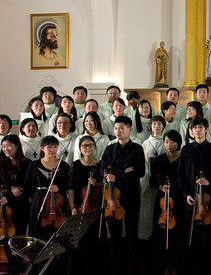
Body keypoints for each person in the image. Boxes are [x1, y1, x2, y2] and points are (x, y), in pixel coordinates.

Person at [178, 118, 211, 275]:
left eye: (200, 127)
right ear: (191, 131)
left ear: (206, 129)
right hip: (191, 201)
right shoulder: (186, 150)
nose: (197, 130)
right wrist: (186, 195)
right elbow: (180, 176)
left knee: (209, 237)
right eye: (194, 128)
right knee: (192, 238)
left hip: (209, 201)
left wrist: (209, 181)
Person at [100, 116, 146, 275]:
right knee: (114, 235)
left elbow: (140, 171)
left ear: (130, 129)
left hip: (131, 196)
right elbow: (103, 170)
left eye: (122, 128)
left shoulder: (137, 149)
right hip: (112, 198)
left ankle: (133, 268)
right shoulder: (109, 149)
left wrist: (117, 176)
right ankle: (116, 268)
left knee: (132, 233)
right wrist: (125, 172)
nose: (118, 131)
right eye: (116, 128)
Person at [24, 135, 75, 274]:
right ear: (42, 148)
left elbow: (69, 185)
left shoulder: (63, 165)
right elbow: (27, 186)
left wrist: (60, 188)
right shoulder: (34, 165)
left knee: (58, 237)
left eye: (54, 146)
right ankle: (39, 270)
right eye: (49, 147)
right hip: (39, 203)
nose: (52, 150)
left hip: (58, 205)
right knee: (39, 237)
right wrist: (37, 199)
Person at [0, 135, 31, 275]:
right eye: (3, 147)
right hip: (4, 206)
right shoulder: (1, 164)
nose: (6, 149)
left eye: (9, 146)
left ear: (17, 146)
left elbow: (27, 187)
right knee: (7, 236)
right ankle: (12, 266)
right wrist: (9, 190)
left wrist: (14, 190)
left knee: (19, 236)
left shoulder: (28, 164)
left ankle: (16, 266)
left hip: (21, 206)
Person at [150, 130, 186, 274]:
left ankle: (176, 266)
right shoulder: (159, 160)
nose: (169, 145)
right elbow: (152, 180)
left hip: (179, 200)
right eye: (166, 142)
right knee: (162, 235)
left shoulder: (183, 158)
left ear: (178, 142)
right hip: (163, 201)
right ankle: (164, 266)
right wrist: (160, 186)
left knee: (177, 235)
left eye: (172, 142)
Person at [71, 135, 107, 275]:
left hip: (96, 208)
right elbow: (71, 187)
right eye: (84, 146)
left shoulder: (101, 164)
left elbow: (107, 185)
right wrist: (73, 207)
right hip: (80, 208)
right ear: (80, 148)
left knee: (96, 241)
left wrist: (97, 184)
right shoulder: (75, 165)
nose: (88, 148)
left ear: (95, 147)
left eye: (90, 145)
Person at [141, 116, 167, 243]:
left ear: (163, 126)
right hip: (149, 181)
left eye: (159, 124)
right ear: (151, 126)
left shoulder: (166, 142)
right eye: (154, 124)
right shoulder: (146, 143)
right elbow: (144, 164)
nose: (157, 126)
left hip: (163, 182)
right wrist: (149, 179)